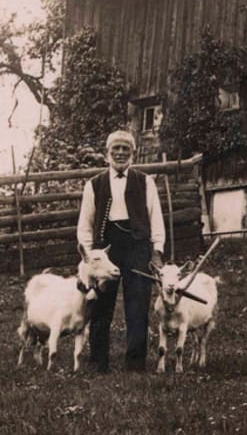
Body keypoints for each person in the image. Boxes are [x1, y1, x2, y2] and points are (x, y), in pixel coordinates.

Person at [75, 129, 166, 372]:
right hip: (105, 248)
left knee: (137, 305)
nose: (120, 153)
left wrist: (156, 251)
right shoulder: (94, 185)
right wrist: (88, 258)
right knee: (101, 305)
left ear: (133, 154)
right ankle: (98, 363)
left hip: (137, 246)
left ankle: (135, 365)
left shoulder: (145, 182)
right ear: (107, 153)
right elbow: (85, 225)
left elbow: (156, 218)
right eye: (116, 148)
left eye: (125, 148)